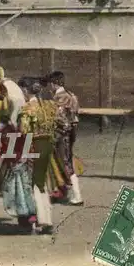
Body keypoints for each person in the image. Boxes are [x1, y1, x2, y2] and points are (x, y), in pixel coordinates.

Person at [12, 79, 60, 235]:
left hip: (32, 147)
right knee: (41, 182)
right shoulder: (49, 105)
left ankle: (36, 220)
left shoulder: (27, 109)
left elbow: (23, 133)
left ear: (26, 91)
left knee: (30, 183)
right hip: (47, 146)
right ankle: (47, 219)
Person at [49, 71, 84, 206]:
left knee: (65, 163)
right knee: (65, 161)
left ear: (54, 84)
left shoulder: (59, 97)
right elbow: (76, 113)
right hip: (71, 132)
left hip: (62, 133)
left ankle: (77, 196)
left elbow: (58, 118)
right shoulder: (71, 95)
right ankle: (63, 191)